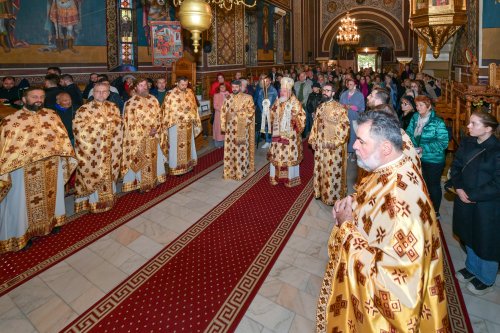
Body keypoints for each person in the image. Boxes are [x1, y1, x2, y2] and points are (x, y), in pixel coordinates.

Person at [316, 111, 449, 332]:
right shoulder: (395, 164)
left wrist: (347, 225)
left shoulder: (401, 211)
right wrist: (354, 199)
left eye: (361, 141)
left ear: (385, 147)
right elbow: (373, 195)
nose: (354, 146)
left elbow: (393, 293)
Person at [0, 87, 77, 253]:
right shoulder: (12, 121)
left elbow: (62, 137)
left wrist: (63, 154)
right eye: (34, 97)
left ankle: (53, 221)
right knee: (21, 202)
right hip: (23, 170)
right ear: (24, 100)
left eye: (41, 97)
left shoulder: (51, 116)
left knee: (52, 195)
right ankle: (20, 234)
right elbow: (6, 150)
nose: (39, 100)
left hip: (50, 165)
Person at [450, 111, 499, 295]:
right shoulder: (468, 142)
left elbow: (497, 184)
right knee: (468, 233)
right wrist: (459, 188)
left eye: (474, 124)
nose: (468, 126)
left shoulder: (496, 150)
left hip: (487, 205)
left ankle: (486, 278)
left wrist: (471, 195)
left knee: (486, 240)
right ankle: (472, 268)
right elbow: (456, 166)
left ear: (488, 129)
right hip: (464, 196)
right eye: (469, 122)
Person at [73, 82, 123, 213]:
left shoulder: (113, 107)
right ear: (93, 93)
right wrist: (101, 128)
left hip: (111, 149)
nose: (101, 94)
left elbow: (119, 125)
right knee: (93, 174)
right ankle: (93, 202)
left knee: (110, 173)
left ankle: (108, 199)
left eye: (104, 91)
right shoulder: (84, 110)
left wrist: (112, 127)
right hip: (93, 152)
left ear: (108, 93)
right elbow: (78, 129)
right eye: (98, 91)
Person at [121, 78, 167, 192]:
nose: (144, 87)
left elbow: (159, 116)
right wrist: (147, 131)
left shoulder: (153, 100)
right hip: (139, 139)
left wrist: (155, 128)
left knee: (154, 159)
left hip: (154, 136)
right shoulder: (131, 103)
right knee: (141, 160)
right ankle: (141, 183)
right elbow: (130, 124)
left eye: (145, 85)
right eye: (141, 85)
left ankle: (155, 179)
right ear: (135, 87)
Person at [406, 95, 448, 217]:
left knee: (433, 185)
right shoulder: (415, 117)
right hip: (417, 156)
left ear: (429, 106)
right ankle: (422, 206)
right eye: (417, 105)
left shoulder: (437, 122)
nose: (418, 108)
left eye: (421, 105)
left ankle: (435, 211)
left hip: (433, 159)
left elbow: (443, 143)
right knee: (420, 183)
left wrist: (423, 148)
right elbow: (409, 132)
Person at [308, 83, 349, 205]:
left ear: (333, 93)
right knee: (321, 168)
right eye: (324, 90)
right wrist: (313, 140)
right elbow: (315, 125)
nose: (324, 92)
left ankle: (332, 196)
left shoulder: (340, 108)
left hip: (333, 148)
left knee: (331, 171)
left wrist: (334, 143)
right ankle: (320, 192)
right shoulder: (320, 107)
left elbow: (345, 128)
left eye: (328, 90)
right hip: (320, 145)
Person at [268, 77, 306, 187]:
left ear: (289, 91)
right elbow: (272, 114)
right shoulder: (278, 101)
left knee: (288, 157)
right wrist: (269, 111)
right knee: (277, 156)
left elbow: (302, 118)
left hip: (290, 137)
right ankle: (276, 177)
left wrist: (293, 118)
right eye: (281, 90)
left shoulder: (295, 103)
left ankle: (290, 179)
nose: (281, 93)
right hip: (278, 135)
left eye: (284, 91)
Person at [162, 76, 201, 175]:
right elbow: (167, 110)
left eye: (186, 84)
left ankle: (188, 165)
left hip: (188, 124)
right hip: (176, 125)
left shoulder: (190, 92)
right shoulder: (170, 94)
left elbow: (194, 106)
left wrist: (192, 116)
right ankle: (176, 168)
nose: (184, 86)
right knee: (176, 146)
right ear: (177, 83)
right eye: (182, 84)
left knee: (189, 144)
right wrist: (183, 114)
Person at [220, 80, 255, 180]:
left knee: (241, 149)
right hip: (230, 129)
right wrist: (224, 125)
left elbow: (251, 112)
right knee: (230, 149)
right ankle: (230, 170)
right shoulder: (228, 98)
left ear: (240, 87)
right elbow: (223, 112)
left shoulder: (247, 98)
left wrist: (238, 114)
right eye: (233, 87)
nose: (234, 89)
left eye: (236, 87)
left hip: (241, 128)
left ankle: (242, 170)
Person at [339, 78, 365, 159]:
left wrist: (352, 107)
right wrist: (344, 106)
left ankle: (354, 152)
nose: (349, 86)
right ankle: (347, 151)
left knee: (354, 136)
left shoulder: (359, 95)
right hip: (345, 118)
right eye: (348, 84)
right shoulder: (344, 94)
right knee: (346, 135)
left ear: (355, 85)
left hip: (354, 118)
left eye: (351, 84)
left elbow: (362, 109)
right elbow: (339, 106)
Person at [255, 75, 278, 149]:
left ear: (270, 81)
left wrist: (272, 110)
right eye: (264, 81)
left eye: (267, 81)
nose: (265, 82)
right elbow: (259, 101)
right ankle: (267, 141)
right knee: (265, 127)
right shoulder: (261, 90)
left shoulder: (273, 90)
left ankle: (273, 141)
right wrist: (262, 110)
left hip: (271, 112)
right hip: (263, 112)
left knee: (272, 126)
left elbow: (276, 101)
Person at [212, 83, 229, 148]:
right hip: (219, 115)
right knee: (219, 129)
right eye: (221, 87)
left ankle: (226, 142)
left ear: (225, 88)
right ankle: (218, 144)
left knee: (226, 128)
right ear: (219, 88)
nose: (222, 88)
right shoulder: (216, 95)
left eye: (223, 87)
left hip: (227, 114)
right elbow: (215, 106)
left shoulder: (228, 94)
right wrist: (222, 110)